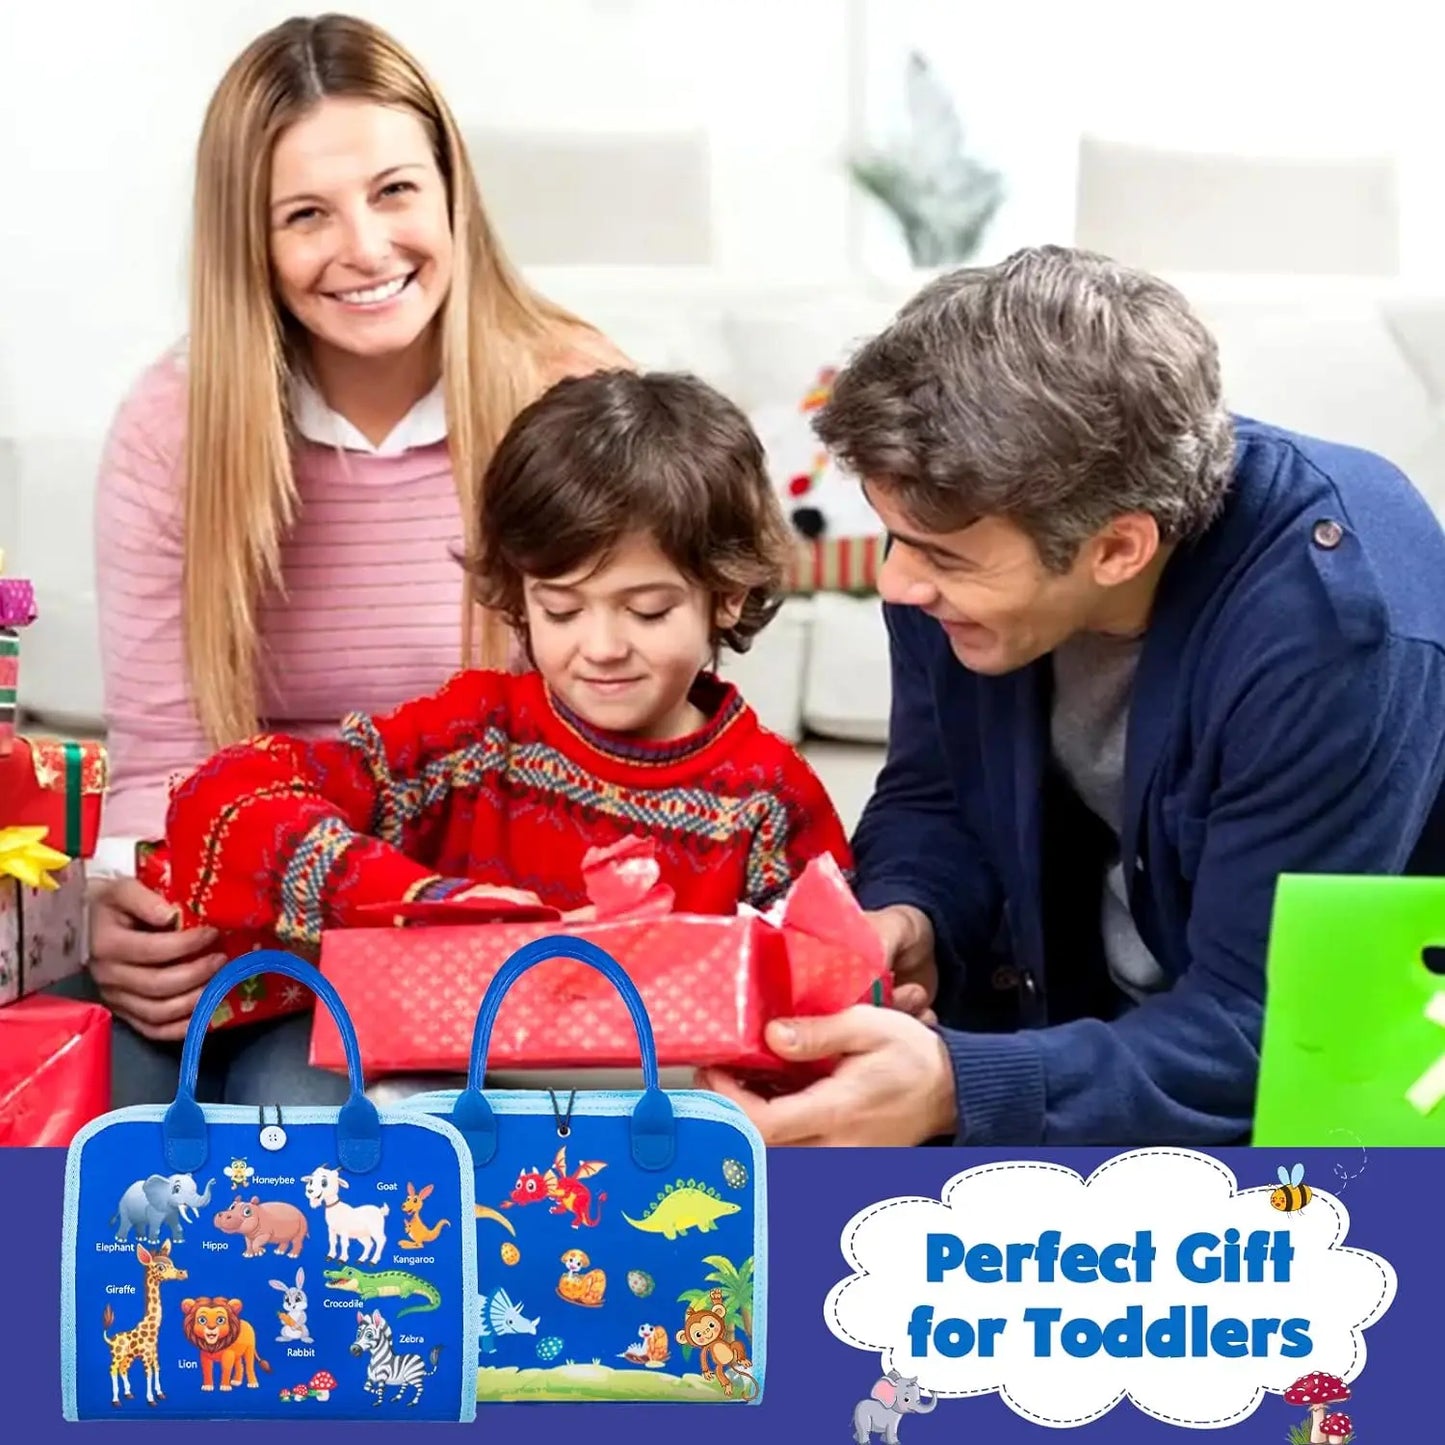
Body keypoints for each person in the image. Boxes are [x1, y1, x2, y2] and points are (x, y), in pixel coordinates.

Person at [698, 245, 1445, 1147]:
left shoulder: (1333, 628)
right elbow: (934, 790)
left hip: (1331, 1113)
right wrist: (910, 912)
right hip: (1086, 1046)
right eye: (893, 538)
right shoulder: (948, 539)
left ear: (1118, 548)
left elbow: (1272, 1028)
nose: (896, 584)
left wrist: (962, 1088)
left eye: (942, 557)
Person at [74, 14, 625, 1105]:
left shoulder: (572, 402)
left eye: (393, 192)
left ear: (450, 190)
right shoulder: (171, 426)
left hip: (467, 930)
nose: (365, 248)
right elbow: (159, 756)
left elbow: (633, 727)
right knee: (106, 1106)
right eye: (306, 215)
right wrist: (118, 907)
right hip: (244, 908)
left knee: (307, 1117)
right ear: (251, 242)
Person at [162, 369, 850, 948]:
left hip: (665, 1100)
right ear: (521, 596)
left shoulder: (769, 800)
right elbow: (221, 799)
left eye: (646, 611)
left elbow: (824, 989)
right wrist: (428, 901)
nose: (602, 647)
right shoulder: (472, 739)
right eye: (561, 609)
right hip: (444, 1091)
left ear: (725, 596)